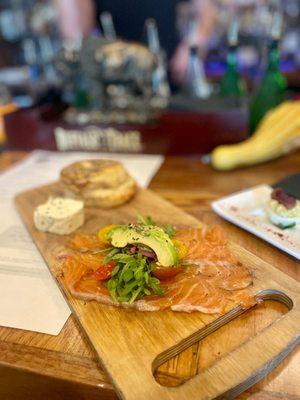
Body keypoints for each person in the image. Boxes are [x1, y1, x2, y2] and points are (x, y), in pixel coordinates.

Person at [53, 0, 217, 83]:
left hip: (167, 75)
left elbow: (206, 12)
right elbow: (76, 35)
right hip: (115, 80)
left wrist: (193, 45)